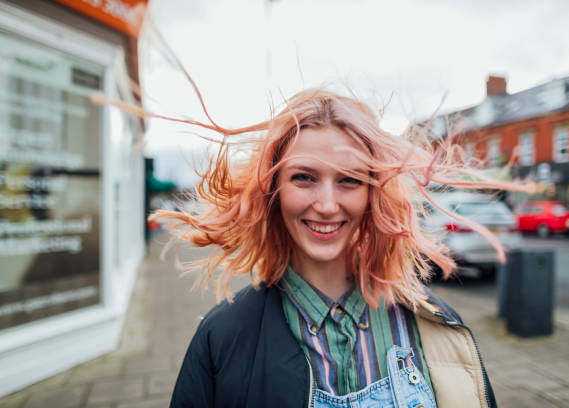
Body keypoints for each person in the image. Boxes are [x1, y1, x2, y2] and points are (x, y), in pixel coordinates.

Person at [140, 88, 524, 408]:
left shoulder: (438, 327)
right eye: (304, 177)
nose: (326, 204)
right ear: (274, 192)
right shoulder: (221, 338)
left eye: (349, 180)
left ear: (372, 193)